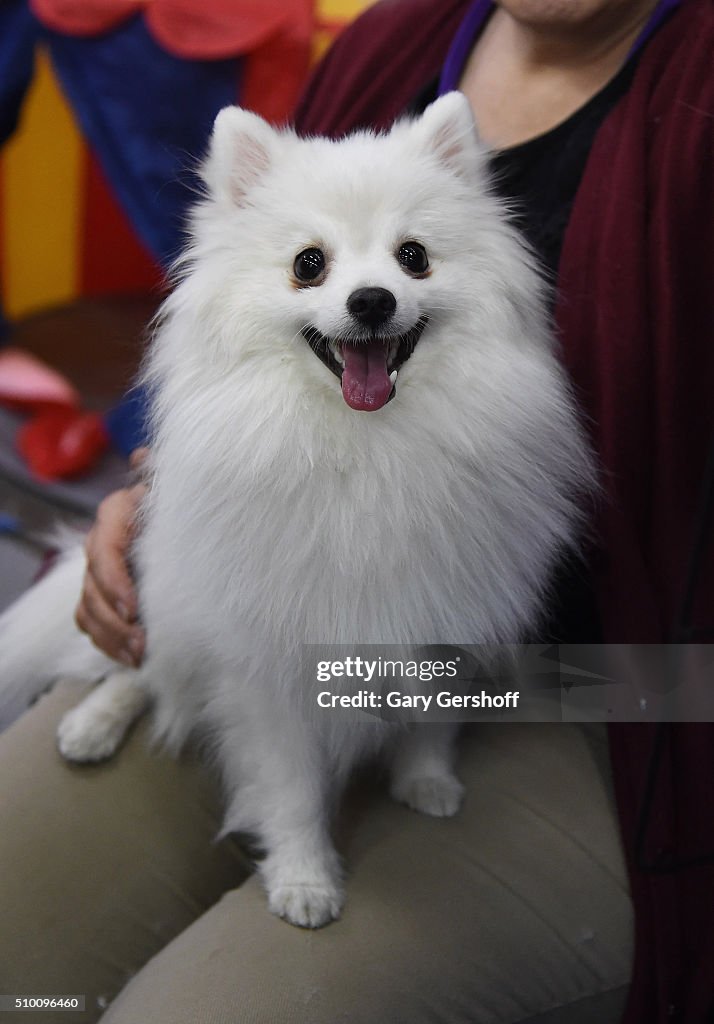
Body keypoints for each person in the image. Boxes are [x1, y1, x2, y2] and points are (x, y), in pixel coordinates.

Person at [1, 1, 712, 1021]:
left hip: (626, 698)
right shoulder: (394, 43)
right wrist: (168, 494)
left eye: (412, 260)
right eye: (318, 268)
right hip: (316, 669)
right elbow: (230, 369)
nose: (370, 291)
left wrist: (380, 680)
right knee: (16, 938)